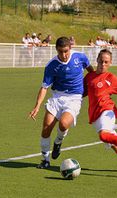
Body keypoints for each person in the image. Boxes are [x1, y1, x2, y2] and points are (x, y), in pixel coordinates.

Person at [29, 37, 94, 169]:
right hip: (57, 97)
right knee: (46, 128)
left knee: (64, 124)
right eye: (60, 52)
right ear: (56, 50)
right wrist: (37, 106)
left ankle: (58, 142)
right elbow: (44, 87)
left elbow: (92, 72)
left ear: (70, 47)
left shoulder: (80, 57)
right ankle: (45, 160)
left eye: (65, 51)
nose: (63, 55)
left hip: (75, 98)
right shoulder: (51, 65)